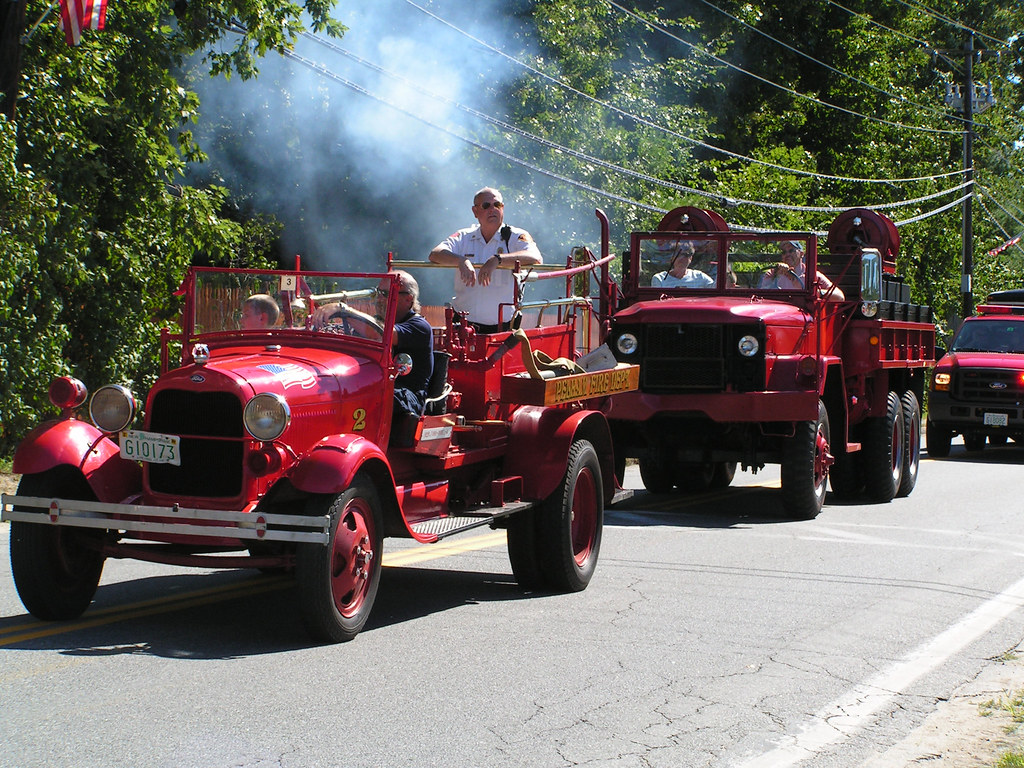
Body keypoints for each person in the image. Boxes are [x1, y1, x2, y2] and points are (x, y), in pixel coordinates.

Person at [429, 187, 543, 333]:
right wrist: (461, 261)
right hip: (463, 328)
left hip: (503, 330)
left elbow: (535, 256)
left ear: (503, 208)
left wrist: (497, 260)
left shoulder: (516, 236)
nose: (492, 209)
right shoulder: (464, 236)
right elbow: (435, 254)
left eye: (497, 205)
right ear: (475, 211)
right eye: (486, 205)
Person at [758, 240, 845, 301]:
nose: (787, 254)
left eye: (791, 251)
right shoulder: (772, 274)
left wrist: (817, 293)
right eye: (784, 252)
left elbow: (839, 297)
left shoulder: (812, 275)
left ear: (801, 254)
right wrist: (778, 275)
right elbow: (762, 296)